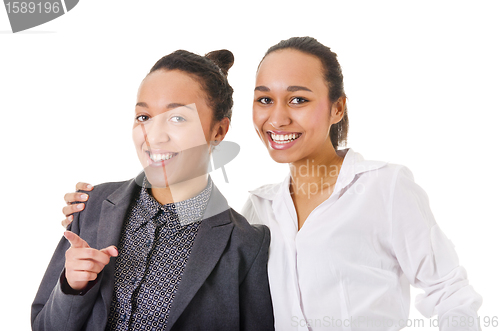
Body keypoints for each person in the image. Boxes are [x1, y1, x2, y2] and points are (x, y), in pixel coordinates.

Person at [60, 37, 482, 331]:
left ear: (337, 108)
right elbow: (187, 228)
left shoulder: (385, 188)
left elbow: (449, 292)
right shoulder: (260, 208)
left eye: (298, 99)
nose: (277, 118)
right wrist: (105, 203)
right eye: (264, 99)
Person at [31, 49, 274, 331]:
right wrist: (72, 287)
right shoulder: (91, 205)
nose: (154, 136)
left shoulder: (246, 244)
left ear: (218, 131)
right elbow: (43, 326)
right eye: (144, 117)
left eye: (178, 118)